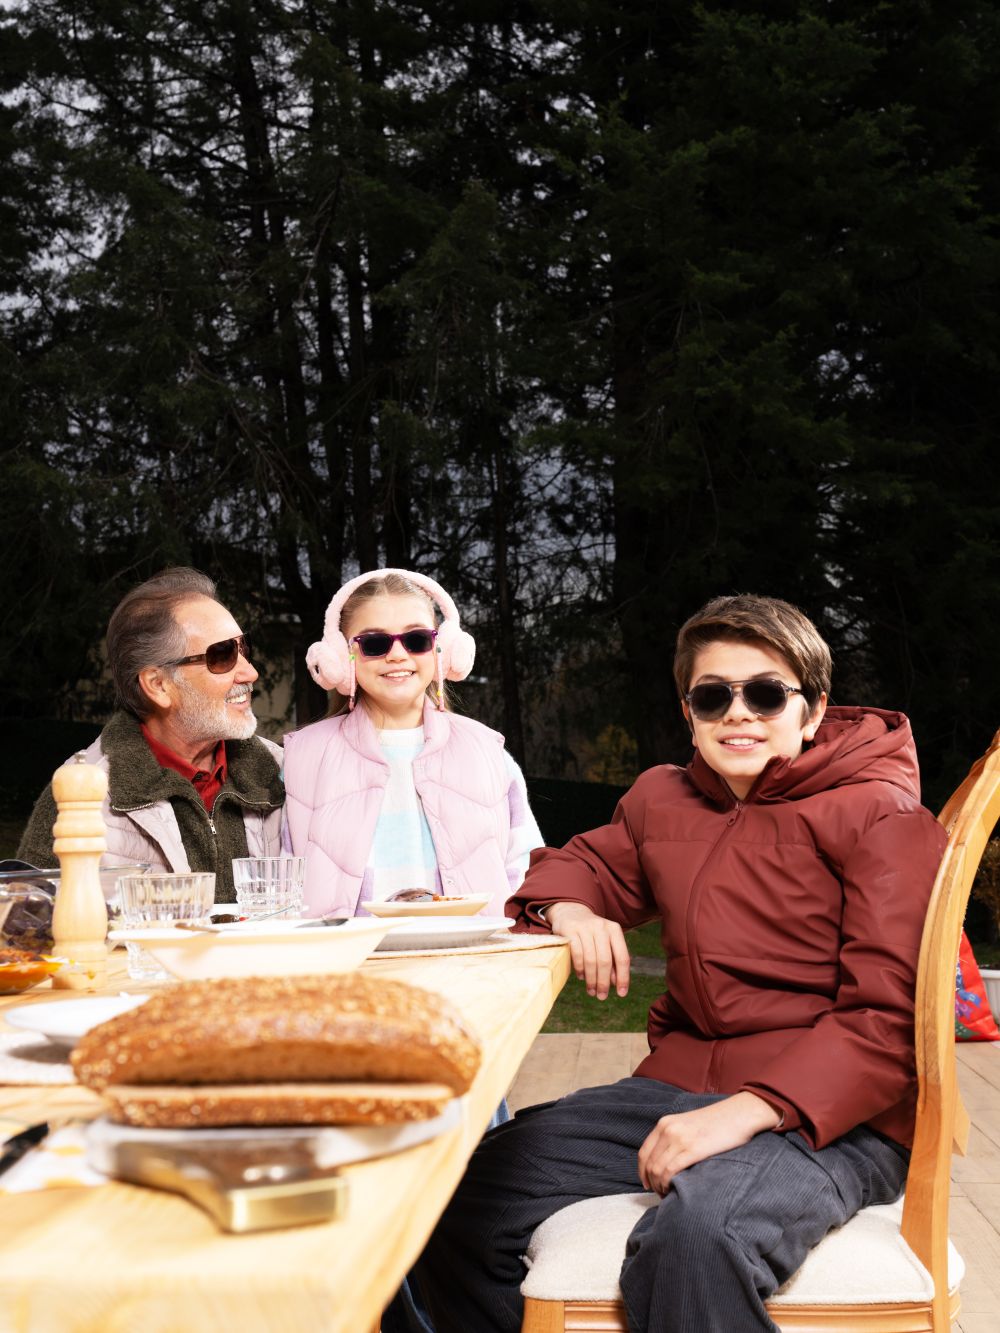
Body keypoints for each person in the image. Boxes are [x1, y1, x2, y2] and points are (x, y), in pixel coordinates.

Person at [412, 593, 948, 1333]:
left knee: (697, 1235)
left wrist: (743, 1113)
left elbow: (888, 1022)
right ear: (688, 710)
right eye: (713, 694)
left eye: (766, 692)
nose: (739, 712)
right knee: (445, 1192)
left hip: (831, 1118)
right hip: (675, 1089)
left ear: (813, 710)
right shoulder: (663, 798)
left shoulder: (881, 816)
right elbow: (572, 867)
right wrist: (572, 909)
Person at [282, 568, 542, 917]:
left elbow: (525, 874)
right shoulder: (303, 760)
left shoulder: (490, 755)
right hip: (346, 966)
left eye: (416, 640)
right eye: (374, 643)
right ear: (342, 657)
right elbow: (278, 887)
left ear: (442, 650)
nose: (397, 655)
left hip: (468, 964)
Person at [18, 567, 283, 902]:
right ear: (158, 685)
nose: (250, 672)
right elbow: (27, 934)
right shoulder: (81, 794)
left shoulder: (286, 773)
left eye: (243, 649)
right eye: (222, 656)